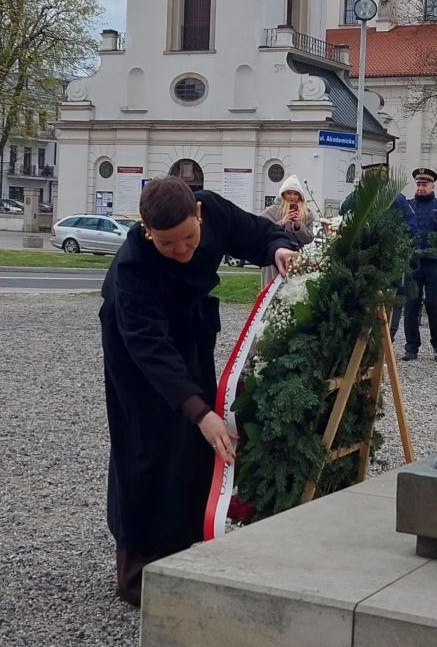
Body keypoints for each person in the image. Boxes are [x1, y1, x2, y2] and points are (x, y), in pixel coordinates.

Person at [99, 176, 299, 606]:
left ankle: (188, 544)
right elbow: (149, 348)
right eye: (168, 244)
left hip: (190, 332)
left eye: (189, 238)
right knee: (147, 448)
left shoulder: (213, 209)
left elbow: (255, 232)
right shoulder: (132, 268)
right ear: (145, 230)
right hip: (136, 354)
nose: (183, 251)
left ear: (199, 215)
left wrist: (278, 247)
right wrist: (200, 410)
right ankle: (138, 568)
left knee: (191, 447)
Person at [340, 162, 418, 340]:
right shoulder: (394, 198)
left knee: (380, 298)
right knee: (390, 299)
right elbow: (412, 229)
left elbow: (411, 229)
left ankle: (374, 339)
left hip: (373, 260)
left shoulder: (357, 198)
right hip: (381, 260)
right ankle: (384, 339)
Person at [401, 167, 437, 362]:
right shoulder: (407, 206)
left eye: (424, 184)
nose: (421, 187)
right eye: (418, 184)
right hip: (413, 263)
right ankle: (411, 347)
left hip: (434, 264)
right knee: (411, 305)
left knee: (434, 304)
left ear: (433, 186)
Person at [259, 174, 314, 287]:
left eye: (296, 193)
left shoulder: (306, 214)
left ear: (300, 196)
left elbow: (309, 239)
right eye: (289, 193)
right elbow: (261, 232)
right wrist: (282, 223)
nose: (292, 197)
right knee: (271, 294)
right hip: (272, 260)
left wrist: (298, 226)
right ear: (283, 194)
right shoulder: (272, 211)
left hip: (295, 259)